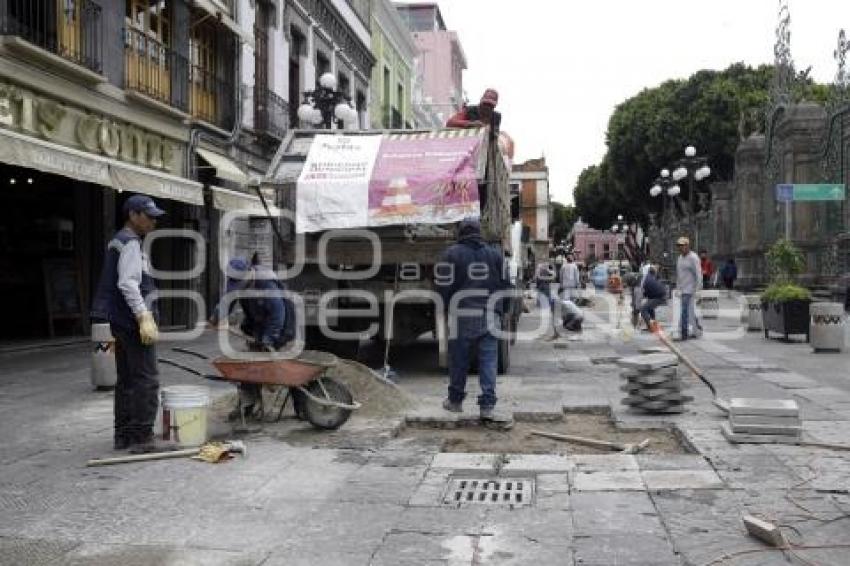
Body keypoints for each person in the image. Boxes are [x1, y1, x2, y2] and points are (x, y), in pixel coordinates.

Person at [91, 195, 165, 453]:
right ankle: (143, 437)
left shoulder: (118, 240)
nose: (153, 221)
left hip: (119, 320)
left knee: (127, 379)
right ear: (133, 215)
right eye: (149, 216)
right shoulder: (130, 242)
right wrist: (143, 316)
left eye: (155, 216)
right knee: (146, 378)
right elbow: (127, 283)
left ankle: (123, 435)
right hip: (132, 321)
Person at [436, 218, 510, 421]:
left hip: (462, 315)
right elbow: (505, 285)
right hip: (490, 314)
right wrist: (502, 311)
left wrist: (443, 307)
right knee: (488, 361)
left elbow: (443, 286)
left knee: (459, 359)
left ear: (461, 232)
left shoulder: (451, 254)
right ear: (479, 232)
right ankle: (487, 407)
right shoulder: (495, 254)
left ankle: (455, 401)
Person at [219, 257, 294, 420]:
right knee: (250, 367)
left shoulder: (266, 283)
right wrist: (215, 318)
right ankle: (247, 405)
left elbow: (278, 315)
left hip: (280, 328)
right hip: (257, 326)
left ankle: (303, 406)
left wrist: (268, 340)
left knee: (290, 371)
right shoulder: (237, 280)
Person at [676, 237, 703, 340]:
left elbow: (698, 274)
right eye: (679, 246)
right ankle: (697, 329)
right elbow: (679, 274)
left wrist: (698, 289)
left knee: (684, 311)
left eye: (682, 245)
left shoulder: (693, 257)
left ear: (687, 246)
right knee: (689, 311)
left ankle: (684, 333)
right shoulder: (679, 258)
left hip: (690, 289)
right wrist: (678, 288)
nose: (680, 248)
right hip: (683, 289)